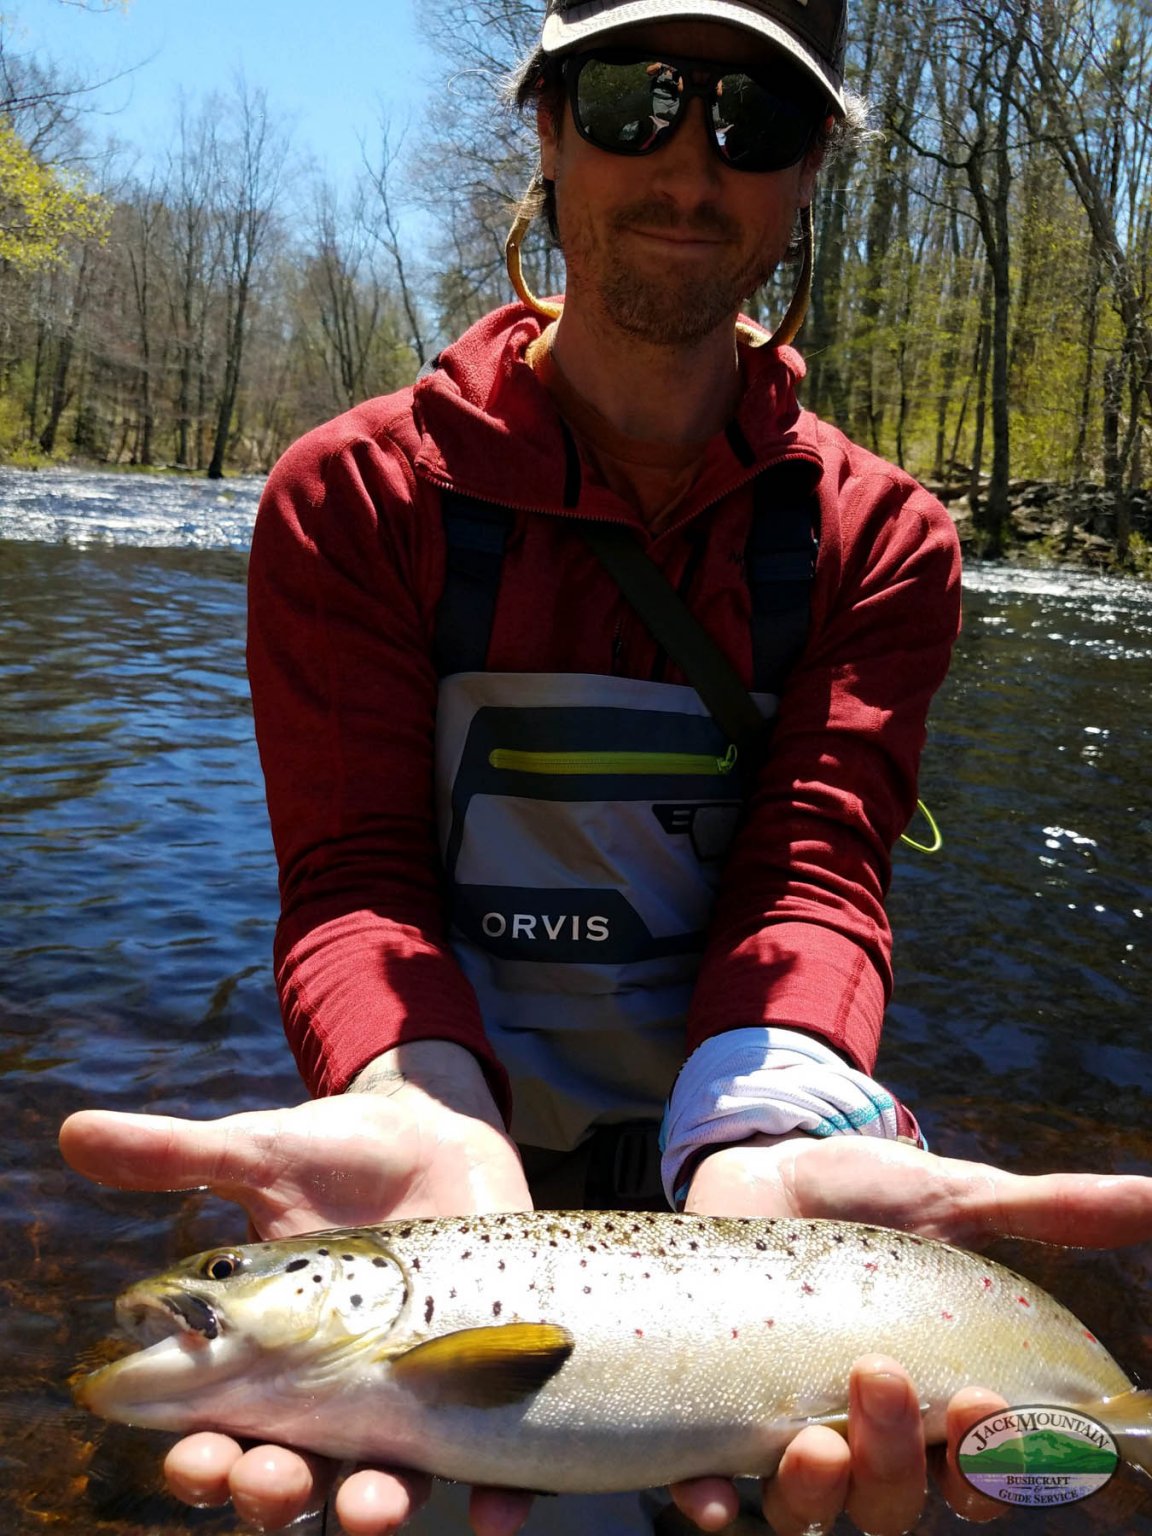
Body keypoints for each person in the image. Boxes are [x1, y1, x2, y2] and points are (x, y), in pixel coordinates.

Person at [59, 1, 1152, 1533]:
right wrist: (414, 1102)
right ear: (549, 131)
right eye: (640, 100)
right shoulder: (357, 498)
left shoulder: (881, 538)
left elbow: (815, 870)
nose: (693, 166)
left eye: (756, 121)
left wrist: (772, 1131)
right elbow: (357, 880)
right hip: (443, 1154)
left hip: (741, 1207)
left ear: (808, 174)